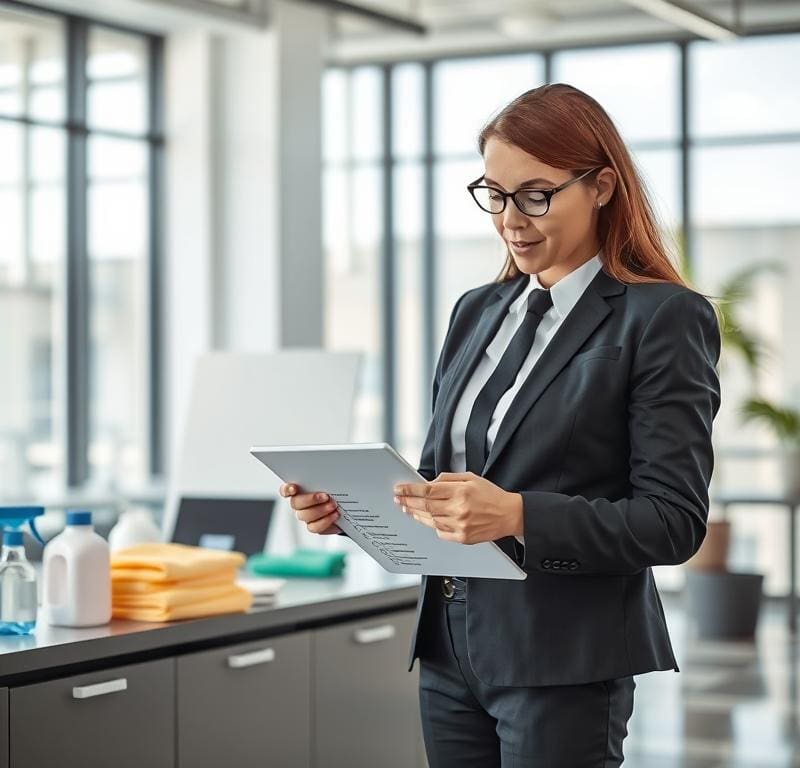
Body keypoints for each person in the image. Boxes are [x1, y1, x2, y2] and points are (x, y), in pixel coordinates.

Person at [280, 83, 721, 766]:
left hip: (563, 659)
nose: (510, 218)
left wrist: (516, 515)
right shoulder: (476, 310)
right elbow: (446, 485)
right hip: (451, 650)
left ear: (601, 186)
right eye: (494, 193)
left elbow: (672, 521)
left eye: (535, 195)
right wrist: (354, 508)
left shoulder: (661, 318)